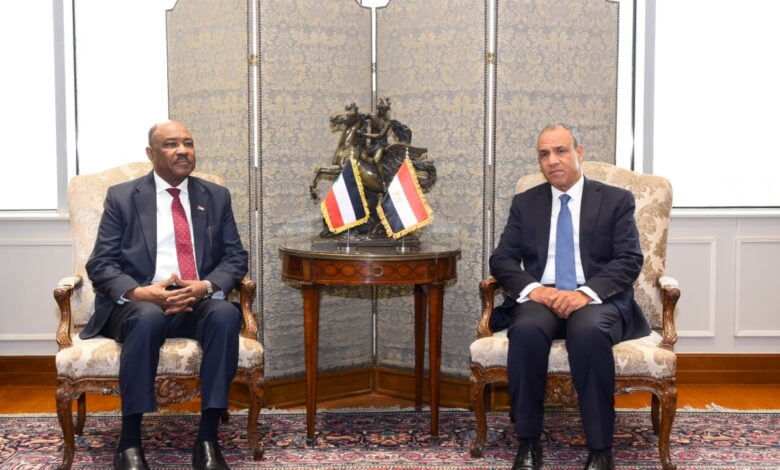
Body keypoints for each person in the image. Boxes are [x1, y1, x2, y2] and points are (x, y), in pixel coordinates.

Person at [81, 120, 248, 470]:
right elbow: (101, 263)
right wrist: (141, 292)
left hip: (196, 300)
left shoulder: (215, 196)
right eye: (171, 144)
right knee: (147, 318)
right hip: (139, 303)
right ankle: (129, 442)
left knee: (225, 315)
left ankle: (207, 440)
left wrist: (204, 287)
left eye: (188, 143)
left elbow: (235, 257)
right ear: (151, 153)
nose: (183, 150)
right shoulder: (123, 197)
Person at [489, 124, 649, 470]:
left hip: (595, 298)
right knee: (525, 331)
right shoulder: (525, 203)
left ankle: (600, 448)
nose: (552, 160)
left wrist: (585, 293)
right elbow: (501, 259)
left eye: (560, 150)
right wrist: (536, 290)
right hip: (543, 296)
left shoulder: (615, 200)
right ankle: (528, 443)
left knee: (588, 332)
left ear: (579, 152)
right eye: (544, 154)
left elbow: (629, 259)